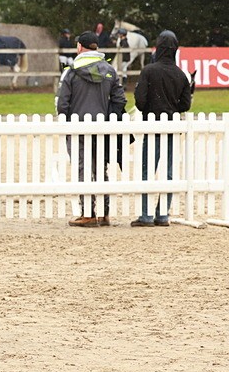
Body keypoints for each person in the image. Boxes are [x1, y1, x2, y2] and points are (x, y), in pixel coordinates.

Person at [57, 30, 127, 227]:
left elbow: (62, 104)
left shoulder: (71, 71)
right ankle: (104, 213)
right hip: (102, 127)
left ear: (80, 47)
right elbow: (120, 100)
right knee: (100, 168)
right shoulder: (110, 71)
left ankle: (87, 212)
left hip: (78, 127)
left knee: (82, 168)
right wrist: (106, 117)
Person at [131, 30, 192, 227]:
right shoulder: (181, 75)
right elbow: (185, 105)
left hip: (152, 124)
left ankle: (146, 214)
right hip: (172, 128)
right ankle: (163, 213)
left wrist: (150, 107)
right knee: (168, 171)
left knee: (147, 169)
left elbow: (140, 101)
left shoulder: (149, 71)